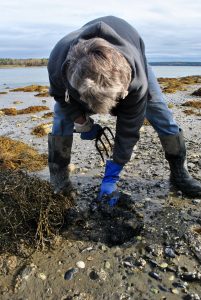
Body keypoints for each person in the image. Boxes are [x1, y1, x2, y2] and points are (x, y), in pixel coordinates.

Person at [47, 15, 201, 206]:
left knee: (160, 112)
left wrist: (115, 169)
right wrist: (82, 122)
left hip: (133, 59)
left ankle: (180, 173)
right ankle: (59, 180)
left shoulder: (137, 81)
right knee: (61, 118)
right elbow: (62, 98)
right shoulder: (58, 61)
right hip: (78, 69)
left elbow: (129, 128)